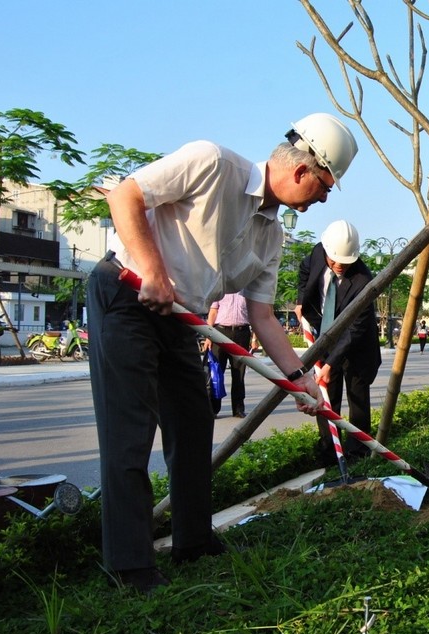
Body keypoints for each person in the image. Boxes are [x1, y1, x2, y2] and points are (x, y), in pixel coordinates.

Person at [89, 112, 357, 594]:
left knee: (193, 423)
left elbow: (263, 317)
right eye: (324, 188)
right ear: (302, 171)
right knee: (129, 432)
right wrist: (153, 268)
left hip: (179, 318)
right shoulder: (212, 163)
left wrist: (299, 377)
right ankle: (130, 566)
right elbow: (126, 194)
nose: (321, 199)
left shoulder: (272, 235)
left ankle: (192, 540)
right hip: (127, 294)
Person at [297, 220, 381, 467]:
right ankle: (330, 452)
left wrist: (330, 364)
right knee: (323, 396)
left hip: (356, 346)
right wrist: (301, 301)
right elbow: (304, 274)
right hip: (324, 337)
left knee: (357, 400)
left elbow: (354, 330)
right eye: (333, 261)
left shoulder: (364, 280)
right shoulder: (315, 254)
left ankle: (357, 453)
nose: (338, 266)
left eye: (345, 263)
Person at [204, 293, 252, 418]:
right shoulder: (220, 290)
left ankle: (238, 409)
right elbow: (213, 313)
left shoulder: (247, 291)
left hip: (242, 332)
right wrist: (208, 336)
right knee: (216, 372)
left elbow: (253, 315)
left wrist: (255, 338)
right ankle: (213, 409)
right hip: (220, 332)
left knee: (239, 373)